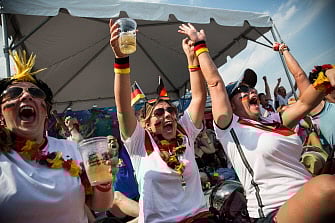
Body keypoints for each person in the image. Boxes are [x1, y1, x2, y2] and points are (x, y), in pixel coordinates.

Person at [178, 23, 335, 222]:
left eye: (251, 88)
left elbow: (305, 101)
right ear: (230, 105)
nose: (251, 92)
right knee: (326, 187)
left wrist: (325, 75)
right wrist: (200, 46)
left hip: (311, 201)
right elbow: (215, 84)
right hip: (275, 212)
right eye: (242, 90)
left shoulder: (274, 121)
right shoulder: (230, 127)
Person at [109, 20, 218, 222]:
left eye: (170, 110)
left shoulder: (185, 132)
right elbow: (123, 108)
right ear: (146, 123)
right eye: (158, 113)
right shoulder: (138, 142)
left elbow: (199, 97)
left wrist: (192, 60)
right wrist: (121, 60)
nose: (167, 115)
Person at [0, 50, 114, 223]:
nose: (26, 95)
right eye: (14, 93)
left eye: (36, 93)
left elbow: (100, 206)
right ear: (1, 116)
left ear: (45, 111)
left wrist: (104, 185)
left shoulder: (72, 149)